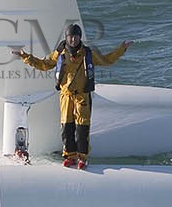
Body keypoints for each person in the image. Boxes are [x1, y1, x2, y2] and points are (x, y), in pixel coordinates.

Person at [12, 24, 130, 170]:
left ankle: (82, 157)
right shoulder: (60, 54)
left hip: (82, 97)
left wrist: (122, 49)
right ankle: (70, 155)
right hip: (66, 96)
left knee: (82, 128)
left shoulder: (88, 54)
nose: (73, 39)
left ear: (80, 37)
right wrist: (25, 56)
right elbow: (44, 64)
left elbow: (107, 60)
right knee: (66, 127)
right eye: (70, 37)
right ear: (66, 38)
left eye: (76, 36)